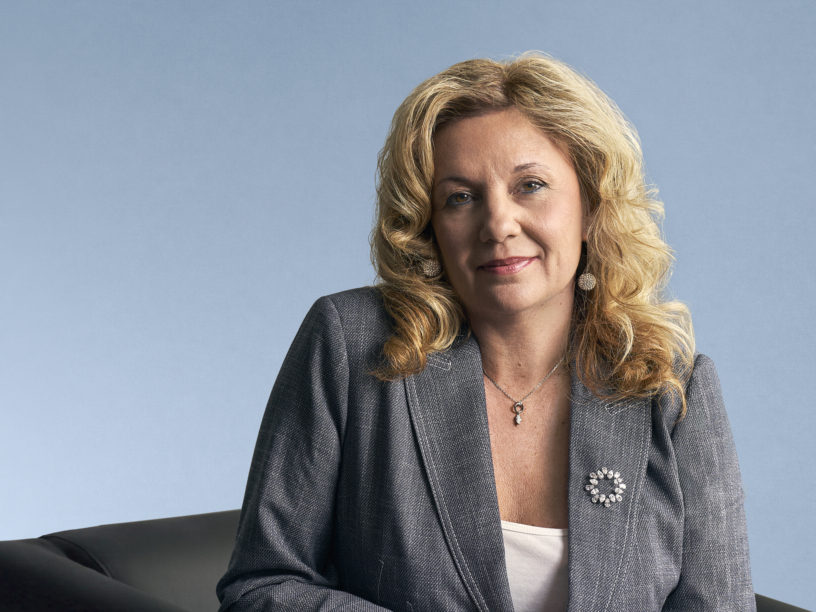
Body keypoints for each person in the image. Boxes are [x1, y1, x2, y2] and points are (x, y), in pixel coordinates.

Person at [216, 53, 754, 611]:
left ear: (592, 208)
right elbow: (261, 588)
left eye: (531, 186)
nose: (498, 223)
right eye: (460, 197)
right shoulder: (351, 345)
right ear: (429, 225)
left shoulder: (673, 391)